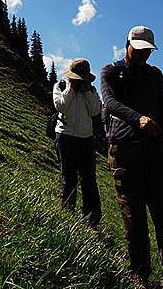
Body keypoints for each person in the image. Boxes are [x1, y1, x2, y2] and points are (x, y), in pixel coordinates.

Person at [101, 26, 163, 289]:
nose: (142, 56)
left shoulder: (155, 75)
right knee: (134, 219)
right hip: (124, 153)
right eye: (138, 50)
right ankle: (139, 277)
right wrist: (136, 118)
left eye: (147, 51)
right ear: (126, 44)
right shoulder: (111, 71)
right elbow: (109, 102)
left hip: (155, 153)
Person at [53, 58, 102, 228]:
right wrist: (71, 89)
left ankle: (92, 220)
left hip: (86, 139)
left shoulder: (91, 91)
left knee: (89, 180)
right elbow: (61, 106)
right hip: (65, 137)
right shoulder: (59, 87)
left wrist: (87, 91)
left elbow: (96, 111)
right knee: (69, 178)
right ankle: (67, 216)